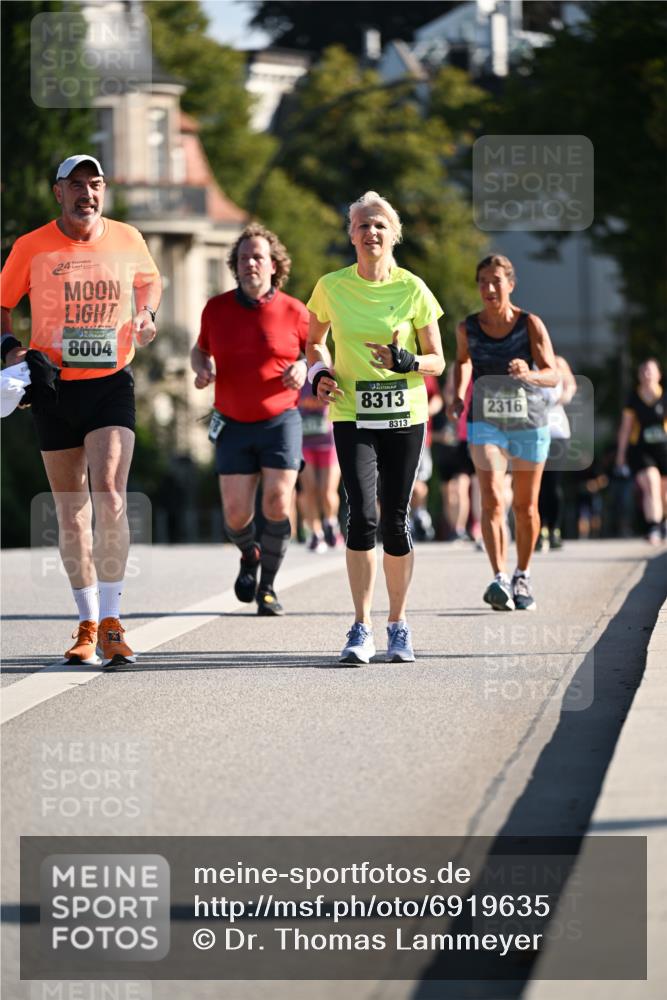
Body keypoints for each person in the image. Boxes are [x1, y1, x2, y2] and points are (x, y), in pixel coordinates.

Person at [0, 154, 161, 666]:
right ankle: (88, 622)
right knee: (71, 512)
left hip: (110, 383)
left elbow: (150, 281)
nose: (86, 194)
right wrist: (10, 348)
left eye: (94, 184)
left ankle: (113, 622)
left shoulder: (128, 238)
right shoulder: (32, 246)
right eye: (75, 185)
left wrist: (146, 313)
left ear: (104, 190)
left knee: (110, 493)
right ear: (59, 193)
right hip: (53, 388)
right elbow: (2, 304)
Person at [306, 191, 445, 664]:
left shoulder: (413, 288)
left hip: (405, 414)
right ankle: (361, 625)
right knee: (361, 515)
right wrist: (319, 374)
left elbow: (438, 360)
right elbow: (314, 342)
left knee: (395, 519)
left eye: (380, 225)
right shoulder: (331, 286)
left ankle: (398, 624)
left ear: (393, 235)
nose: (371, 232)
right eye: (363, 225)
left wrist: (407, 361)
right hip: (352, 412)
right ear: (351, 234)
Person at [191, 223, 308, 615]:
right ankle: (249, 554)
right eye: (243, 258)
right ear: (235, 265)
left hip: (280, 420)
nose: (250, 263)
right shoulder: (216, 309)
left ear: (274, 265)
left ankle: (268, 588)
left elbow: (320, 353)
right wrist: (202, 367)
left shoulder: (295, 310)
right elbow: (199, 350)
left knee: (277, 501)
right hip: (233, 423)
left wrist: (304, 367)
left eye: (258, 257)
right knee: (236, 514)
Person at [450, 254, 557, 611]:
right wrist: (458, 395)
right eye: (483, 281)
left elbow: (553, 373)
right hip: (486, 420)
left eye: (496, 281)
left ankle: (522, 574)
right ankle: (499, 578)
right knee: (493, 497)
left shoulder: (530, 324)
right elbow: (463, 361)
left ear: (510, 284)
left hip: (529, 421)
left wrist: (529, 373)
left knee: (525, 507)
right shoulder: (468, 327)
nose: (489, 288)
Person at [615, 358, 667, 544]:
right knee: (651, 483)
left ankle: (662, 524)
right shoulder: (633, 398)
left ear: (658, 375)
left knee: (663, 493)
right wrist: (621, 455)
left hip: (663, 450)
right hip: (641, 450)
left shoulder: (664, 397)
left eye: (650, 370)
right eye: (643, 371)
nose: (647, 374)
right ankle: (653, 526)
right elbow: (626, 428)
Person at [537, 354, 577, 550]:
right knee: (536, 484)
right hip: (533, 432)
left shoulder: (559, 362)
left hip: (557, 432)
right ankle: (538, 529)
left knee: (553, 484)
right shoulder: (527, 363)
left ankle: (554, 528)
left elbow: (571, 386)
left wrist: (563, 397)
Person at [297, 382, 343, 552]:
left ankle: (331, 523)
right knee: (309, 490)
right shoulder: (296, 375)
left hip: (328, 442)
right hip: (304, 443)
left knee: (328, 491)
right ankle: (315, 533)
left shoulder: (328, 373)